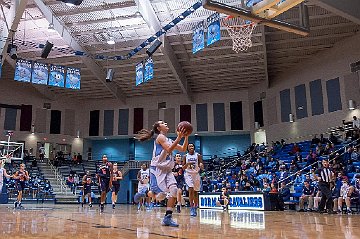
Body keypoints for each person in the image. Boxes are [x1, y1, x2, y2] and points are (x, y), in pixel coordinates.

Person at [135, 120, 188, 227]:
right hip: (157, 169)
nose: (165, 123)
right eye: (163, 123)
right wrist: (179, 137)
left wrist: (186, 136)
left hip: (167, 169)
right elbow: (169, 149)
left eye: (165, 122)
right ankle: (143, 193)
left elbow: (183, 149)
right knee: (160, 197)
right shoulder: (160, 137)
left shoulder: (168, 139)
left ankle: (168, 217)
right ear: (159, 128)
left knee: (174, 190)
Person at [183, 143, 203, 217]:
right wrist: (188, 163)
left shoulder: (198, 155)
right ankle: (191, 207)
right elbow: (183, 167)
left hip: (196, 174)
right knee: (190, 189)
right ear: (187, 148)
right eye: (189, 146)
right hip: (188, 174)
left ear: (194, 147)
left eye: (192, 146)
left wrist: (201, 165)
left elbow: (202, 165)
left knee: (195, 192)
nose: (191, 147)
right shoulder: (185, 156)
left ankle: (195, 206)